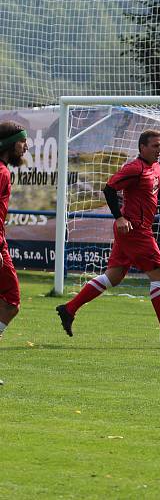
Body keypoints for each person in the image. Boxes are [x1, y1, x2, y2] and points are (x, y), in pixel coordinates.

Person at [56, 129, 160, 345]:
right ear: (142, 148)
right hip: (135, 230)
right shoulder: (134, 168)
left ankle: (69, 308)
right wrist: (119, 217)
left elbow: (158, 185)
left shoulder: (154, 166)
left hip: (134, 231)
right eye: (155, 146)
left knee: (114, 277)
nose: (159, 150)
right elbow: (109, 189)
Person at [0, 122, 29, 384]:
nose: (26, 146)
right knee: (11, 301)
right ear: (9, 144)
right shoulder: (1, 173)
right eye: (22, 141)